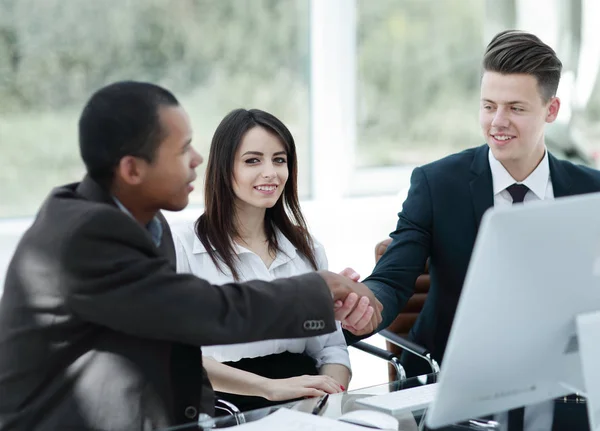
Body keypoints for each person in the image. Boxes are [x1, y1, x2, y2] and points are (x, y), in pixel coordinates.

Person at [0, 81, 381, 431]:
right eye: (183, 150)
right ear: (132, 169)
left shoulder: (146, 227)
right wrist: (317, 291)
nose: (198, 159)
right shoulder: (89, 234)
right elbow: (203, 313)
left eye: (279, 159)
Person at [351, 30, 600, 430]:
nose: (497, 123)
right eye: (488, 106)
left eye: (515, 108)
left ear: (551, 110)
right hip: (457, 389)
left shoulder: (592, 191)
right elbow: (393, 280)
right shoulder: (436, 184)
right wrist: (361, 308)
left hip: (565, 388)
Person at [172, 108, 352, 413]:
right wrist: (270, 388)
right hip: (223, 404)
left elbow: (331, 349)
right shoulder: (183, 245)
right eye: (252, 160)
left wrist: (328, 401)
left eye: (279, 160)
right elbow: (174, 355)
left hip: (304, 402)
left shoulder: (306, 246)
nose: (270, 172)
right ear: (224, 168)